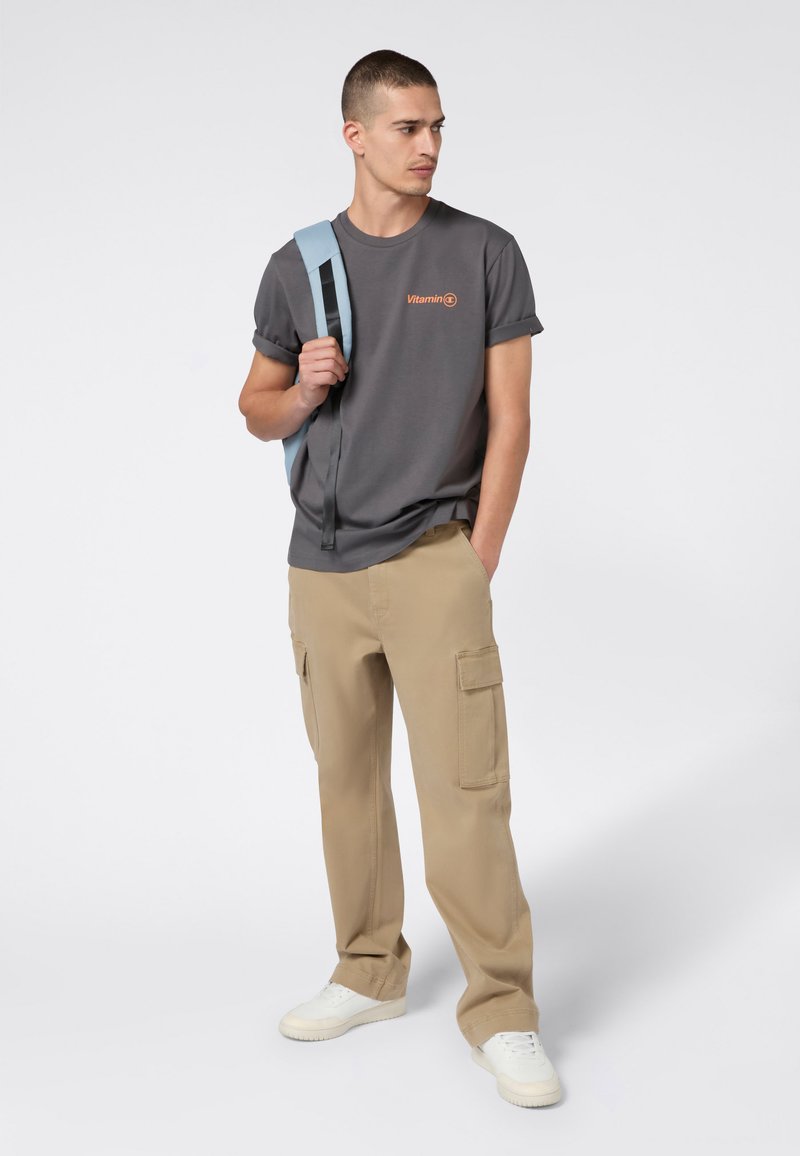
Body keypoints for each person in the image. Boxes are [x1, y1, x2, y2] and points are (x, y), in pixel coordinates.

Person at [238, 49, 561, 1110]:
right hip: (320, 569)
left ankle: (501, 1009)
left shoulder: (484, 253)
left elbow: (511, 418)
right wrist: (302, 391)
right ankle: (368, 970)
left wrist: (478, 556)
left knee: (465, 793)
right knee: (345, 786)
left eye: (437, 128)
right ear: (356, 135)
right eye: (407, 128)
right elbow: (255, 408)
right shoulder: (298, 264)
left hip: (433, 559)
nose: (428, 146)